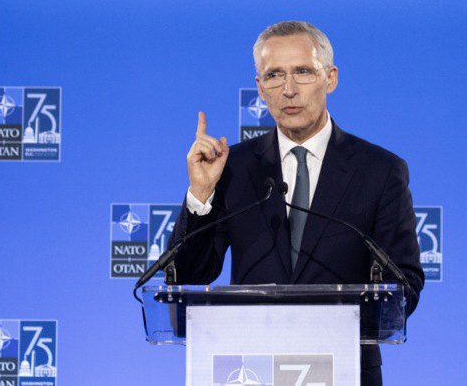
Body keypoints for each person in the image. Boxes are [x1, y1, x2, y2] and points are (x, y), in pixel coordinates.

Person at [168, 20, 424, 386]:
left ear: (330, 78)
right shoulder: (233, 168)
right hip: (250, 371)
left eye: (302, 72)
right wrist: (200, 195)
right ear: (259, 87)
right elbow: (188, 277)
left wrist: (349, 313)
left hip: (344, 371)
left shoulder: (379, 171)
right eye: (274, 75)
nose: (288, 89)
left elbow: (406, 285)